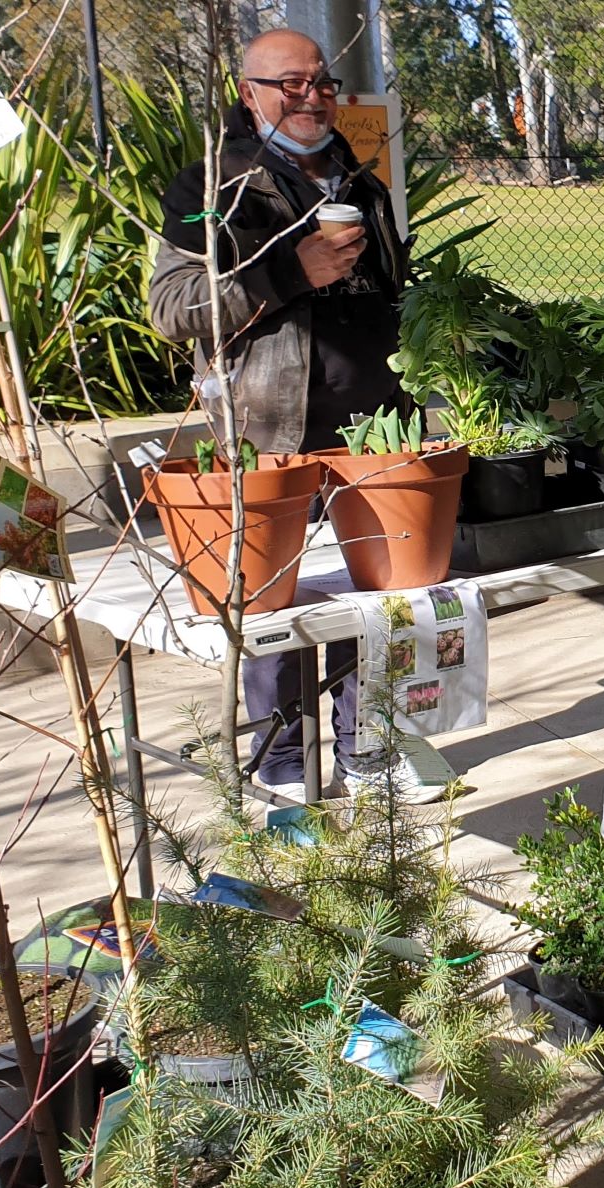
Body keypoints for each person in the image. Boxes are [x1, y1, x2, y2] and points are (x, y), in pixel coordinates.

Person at [149, 29, 409, 800]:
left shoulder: (363, 182)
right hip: (269, 428)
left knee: (376, 599)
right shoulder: (210, 186)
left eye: (322, 83)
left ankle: (369, 753)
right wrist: (289, 273)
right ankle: (286, 768)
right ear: (249, 91)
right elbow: (173, 308)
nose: (311, 96)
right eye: (290, 82)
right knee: (273, 606)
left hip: (375, 430)